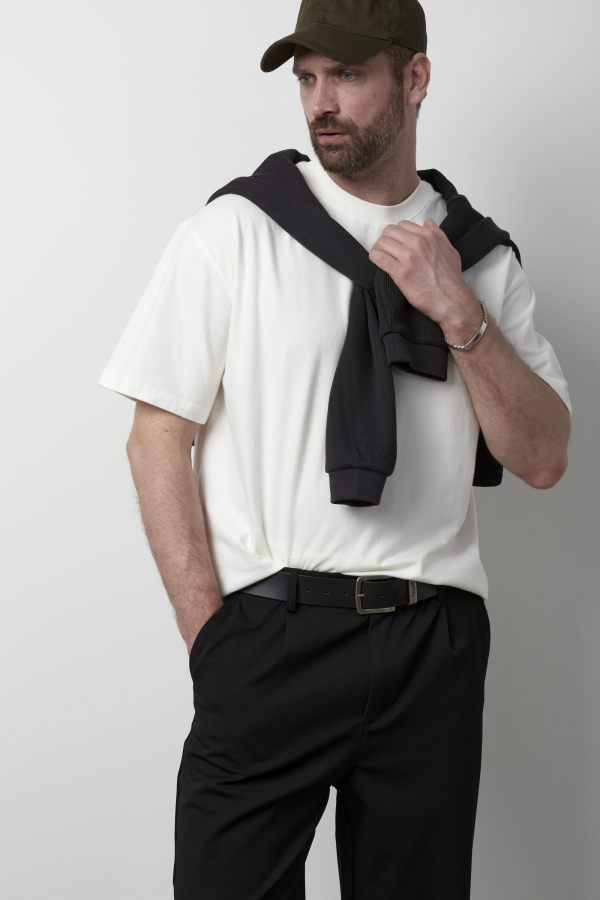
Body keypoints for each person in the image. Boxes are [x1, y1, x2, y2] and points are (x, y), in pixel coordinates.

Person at [97, 0, 572, 897]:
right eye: (308, 77)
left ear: (415, 79)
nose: (322, 101)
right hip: (270, 637)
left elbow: (544, 456)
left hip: (432, 644)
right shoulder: (236, 232)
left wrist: (458, 311)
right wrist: (212, 640)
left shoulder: (478, 259)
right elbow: (156, 437)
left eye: (349, 75)